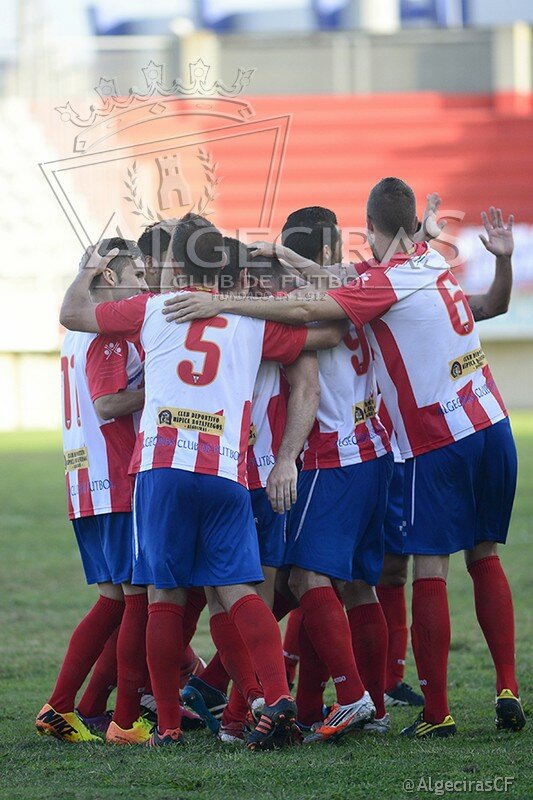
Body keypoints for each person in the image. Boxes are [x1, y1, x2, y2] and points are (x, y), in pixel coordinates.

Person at [162, 183, 525, 738]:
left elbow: (316, 316)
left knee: (301, 577)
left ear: (370, 225)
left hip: (368, 451)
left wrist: (225, 301)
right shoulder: (420, 267)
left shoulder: (358, 292)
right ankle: (378, 701)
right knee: (370, 578)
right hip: (461, 430)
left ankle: (364, 702)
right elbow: (487, 304)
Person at [59, 215, 329, 750]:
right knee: (237, 589)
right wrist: (266, 291)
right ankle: (276, 699)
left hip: (161, 467)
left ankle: (166, 725)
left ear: (178, 266)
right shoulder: (253, 323)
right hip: (227, 469)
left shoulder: (152, 309)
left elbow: (72, 314)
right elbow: (331, 327)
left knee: (164, 595)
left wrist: (89, 272)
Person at [36, 238, 149, 744]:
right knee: (138, 600)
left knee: (114, 602)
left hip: (87, 482)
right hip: (118, 480)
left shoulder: (74, 333)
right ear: (109, 279)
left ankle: (63, 708)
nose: (145, 287)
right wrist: (168, 388)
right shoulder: (107, 333)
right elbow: (107, 404)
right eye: (138, 276)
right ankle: (125, 722)